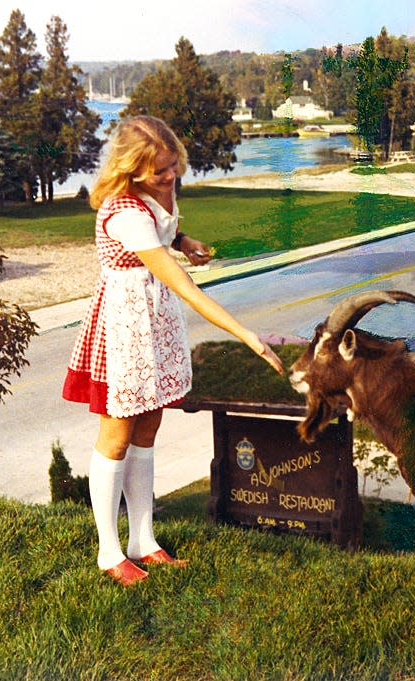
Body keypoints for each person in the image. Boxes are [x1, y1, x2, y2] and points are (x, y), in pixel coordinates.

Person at [62, 115, 283, 586]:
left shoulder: (158, 193)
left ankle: (144, 540)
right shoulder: (124, 212)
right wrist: (246, 335)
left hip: (155, 320)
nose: (171, 177)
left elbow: (164, 236)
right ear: (133, 169)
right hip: (126, 326)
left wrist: (184, 241)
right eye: (160, 171)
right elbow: (187, 290)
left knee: (148, 427)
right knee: (117, 435)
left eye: (173, 166)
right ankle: (109, 551)